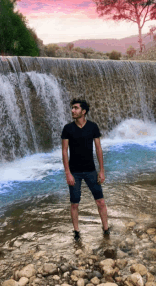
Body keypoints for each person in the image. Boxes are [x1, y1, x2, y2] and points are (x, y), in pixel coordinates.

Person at [61, 98, 109, 241]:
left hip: (90, 170)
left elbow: (98, 148)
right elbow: (64, 151)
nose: (72, 111)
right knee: (74, 203)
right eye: (72, 108)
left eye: (75, 108)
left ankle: (106, 228)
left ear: (84, 111)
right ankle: (76, 232)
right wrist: (68, 173)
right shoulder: (67, 128)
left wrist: (101, 170)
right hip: (74, 172)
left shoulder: (93, 127)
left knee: (100, 201)